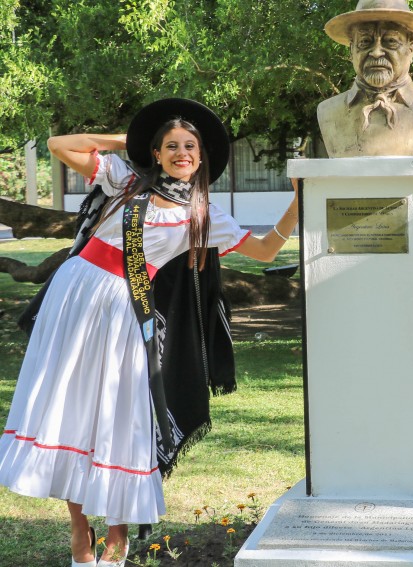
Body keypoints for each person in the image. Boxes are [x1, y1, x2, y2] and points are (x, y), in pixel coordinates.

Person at [0, 98, 299, 567]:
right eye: (171, 146)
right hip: (73, 299)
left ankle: (115, 542)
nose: (182, 153)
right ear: (157, 154)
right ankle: (80, 529)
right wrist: (132, 142)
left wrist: (298, 203)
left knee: (119, 417)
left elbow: (263, 251)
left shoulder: (203, 215)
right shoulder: (126, 181)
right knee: (67, 409)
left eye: (190, 146)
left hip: (123, 307)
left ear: (201, 158)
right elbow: (60, 145)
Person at [318, 0, 413, 157]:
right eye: (365, 41)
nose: (376, 52)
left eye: (391, 41)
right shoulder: (328, 111)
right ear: (351, 51)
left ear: (411, 50)